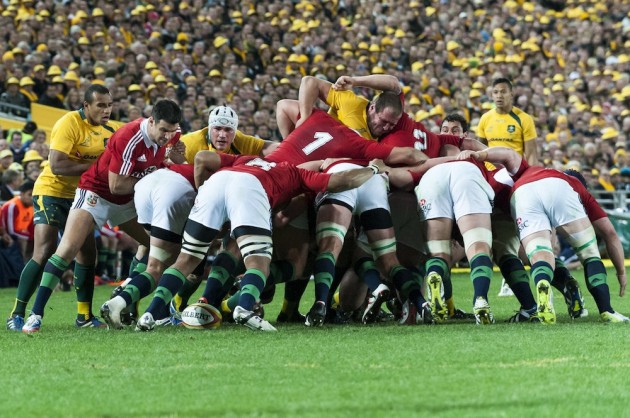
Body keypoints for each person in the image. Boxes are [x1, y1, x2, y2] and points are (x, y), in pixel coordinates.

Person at [135, 149, 391, 332]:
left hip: (216, 184)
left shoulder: (247, 158)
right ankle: (244, 308)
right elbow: (341, 181)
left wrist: (204, 196)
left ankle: (151, 313)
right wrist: (374, 168)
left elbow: (202, 158)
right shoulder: (295, 172)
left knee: (186, 259)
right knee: (258, 263)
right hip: (251, 189)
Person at [21, 99, 184, 333]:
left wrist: (176, 160)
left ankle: (131, 294)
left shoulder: (172, 136)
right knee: (67, 250)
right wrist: (153, 179)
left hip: (125, 201)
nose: (168, 136)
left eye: (172, 130)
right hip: (95, 193)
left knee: (163, 249)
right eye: (164, 130)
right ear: (151, 122)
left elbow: (167, 162)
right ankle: (35, 315)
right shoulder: (129, 137)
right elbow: (116, 185)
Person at [6, 85, 118, 332]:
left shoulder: (112, 129)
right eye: (101, 105)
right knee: (45, 250)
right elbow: (56, 165)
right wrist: (97, 167)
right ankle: (16, 314)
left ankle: (84, 316)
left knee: (88, 253)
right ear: (86, 105)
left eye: (109, 105)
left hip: (81, 195)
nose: (106, 110)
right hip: (51, 190)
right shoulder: (68, 123)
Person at [510, 167, 629, 324]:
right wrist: (621, 273)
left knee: (540, 254)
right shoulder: (574, 185)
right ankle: (606, 309)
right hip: (558, 189)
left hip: (519, 192)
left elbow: (525, 253)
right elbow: (610, 233)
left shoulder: (535, 172)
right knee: (589, 253)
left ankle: (545, 282)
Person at [477, 77, 539, 298]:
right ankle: (508, 276)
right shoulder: (485, 119)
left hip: (516, 177)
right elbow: (480, 150)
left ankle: (518, 274)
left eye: (503, 92)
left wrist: (528, 177)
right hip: (493, 180)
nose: (499, 96)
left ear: (511, 94)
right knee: (498, 224)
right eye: (495, 92)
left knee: (520, 224)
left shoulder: (524, 119)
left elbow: (531, 153)